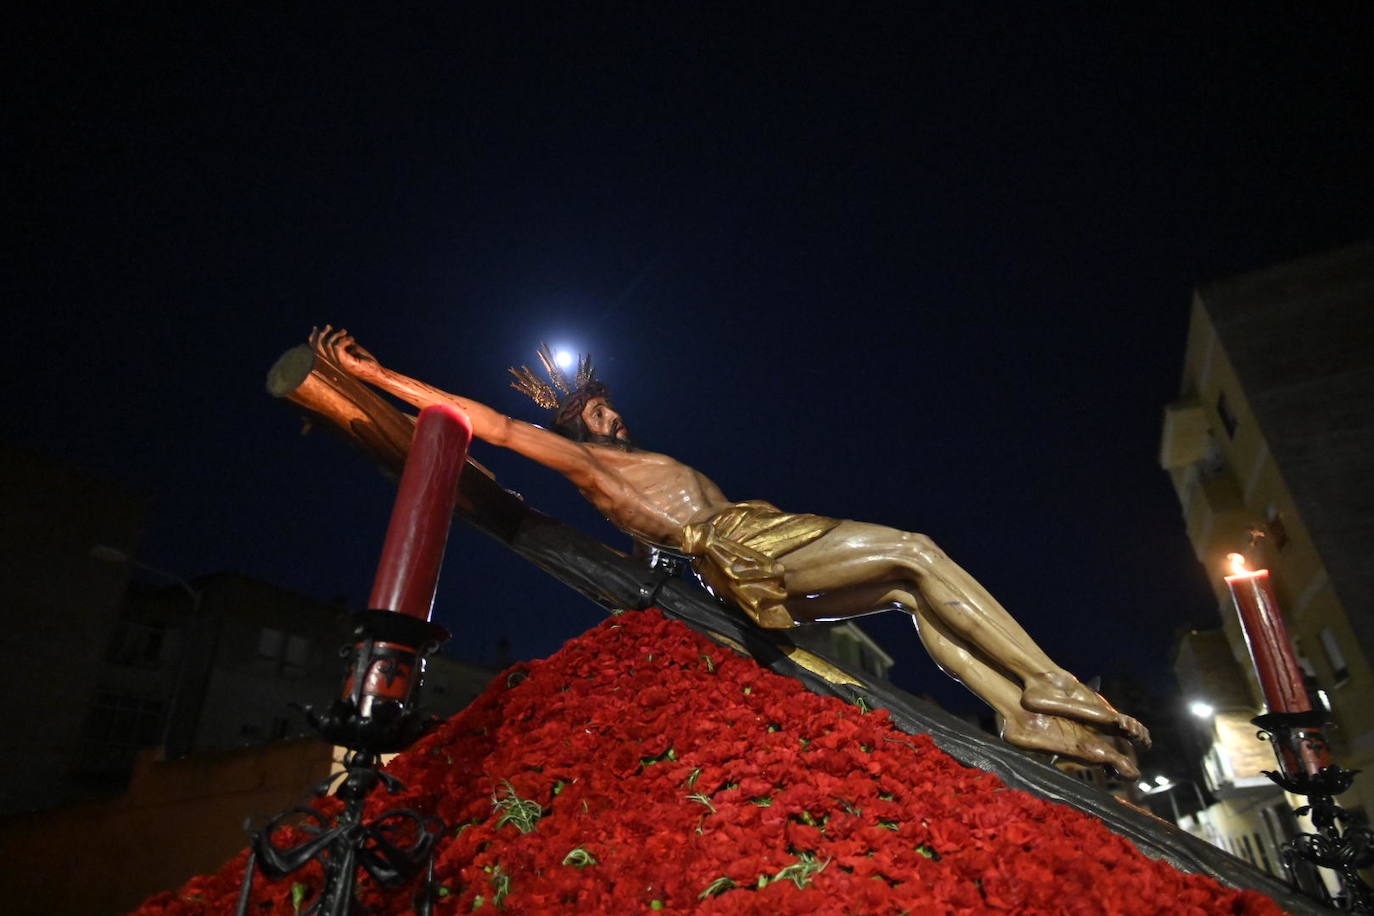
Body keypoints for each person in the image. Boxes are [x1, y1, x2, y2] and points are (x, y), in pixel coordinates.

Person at [312, 327, 1149, 775]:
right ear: (576, 423)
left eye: (607, 404)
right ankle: (1053, 687)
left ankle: (1023, 713)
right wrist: (380, 374)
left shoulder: (632, 452)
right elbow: (485, 423)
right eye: (598, 407)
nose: (611, 414)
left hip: (760, 531)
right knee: (917, 550)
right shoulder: (587, 464)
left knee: (902, 587)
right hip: (735, 548)